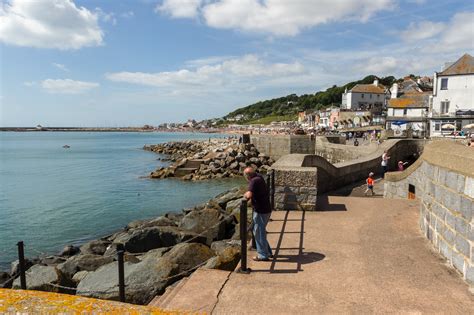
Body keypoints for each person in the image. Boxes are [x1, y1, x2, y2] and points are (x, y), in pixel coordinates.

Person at [244, 167, 273, 261]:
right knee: (259, 231)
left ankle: (263, 255)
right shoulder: (259, 177)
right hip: (266, 208)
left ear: (247, 176)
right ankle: (267, 252)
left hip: (261, 211)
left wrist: (245, 195)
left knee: (258, 232)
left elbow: (248, 195)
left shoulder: (253, 181)